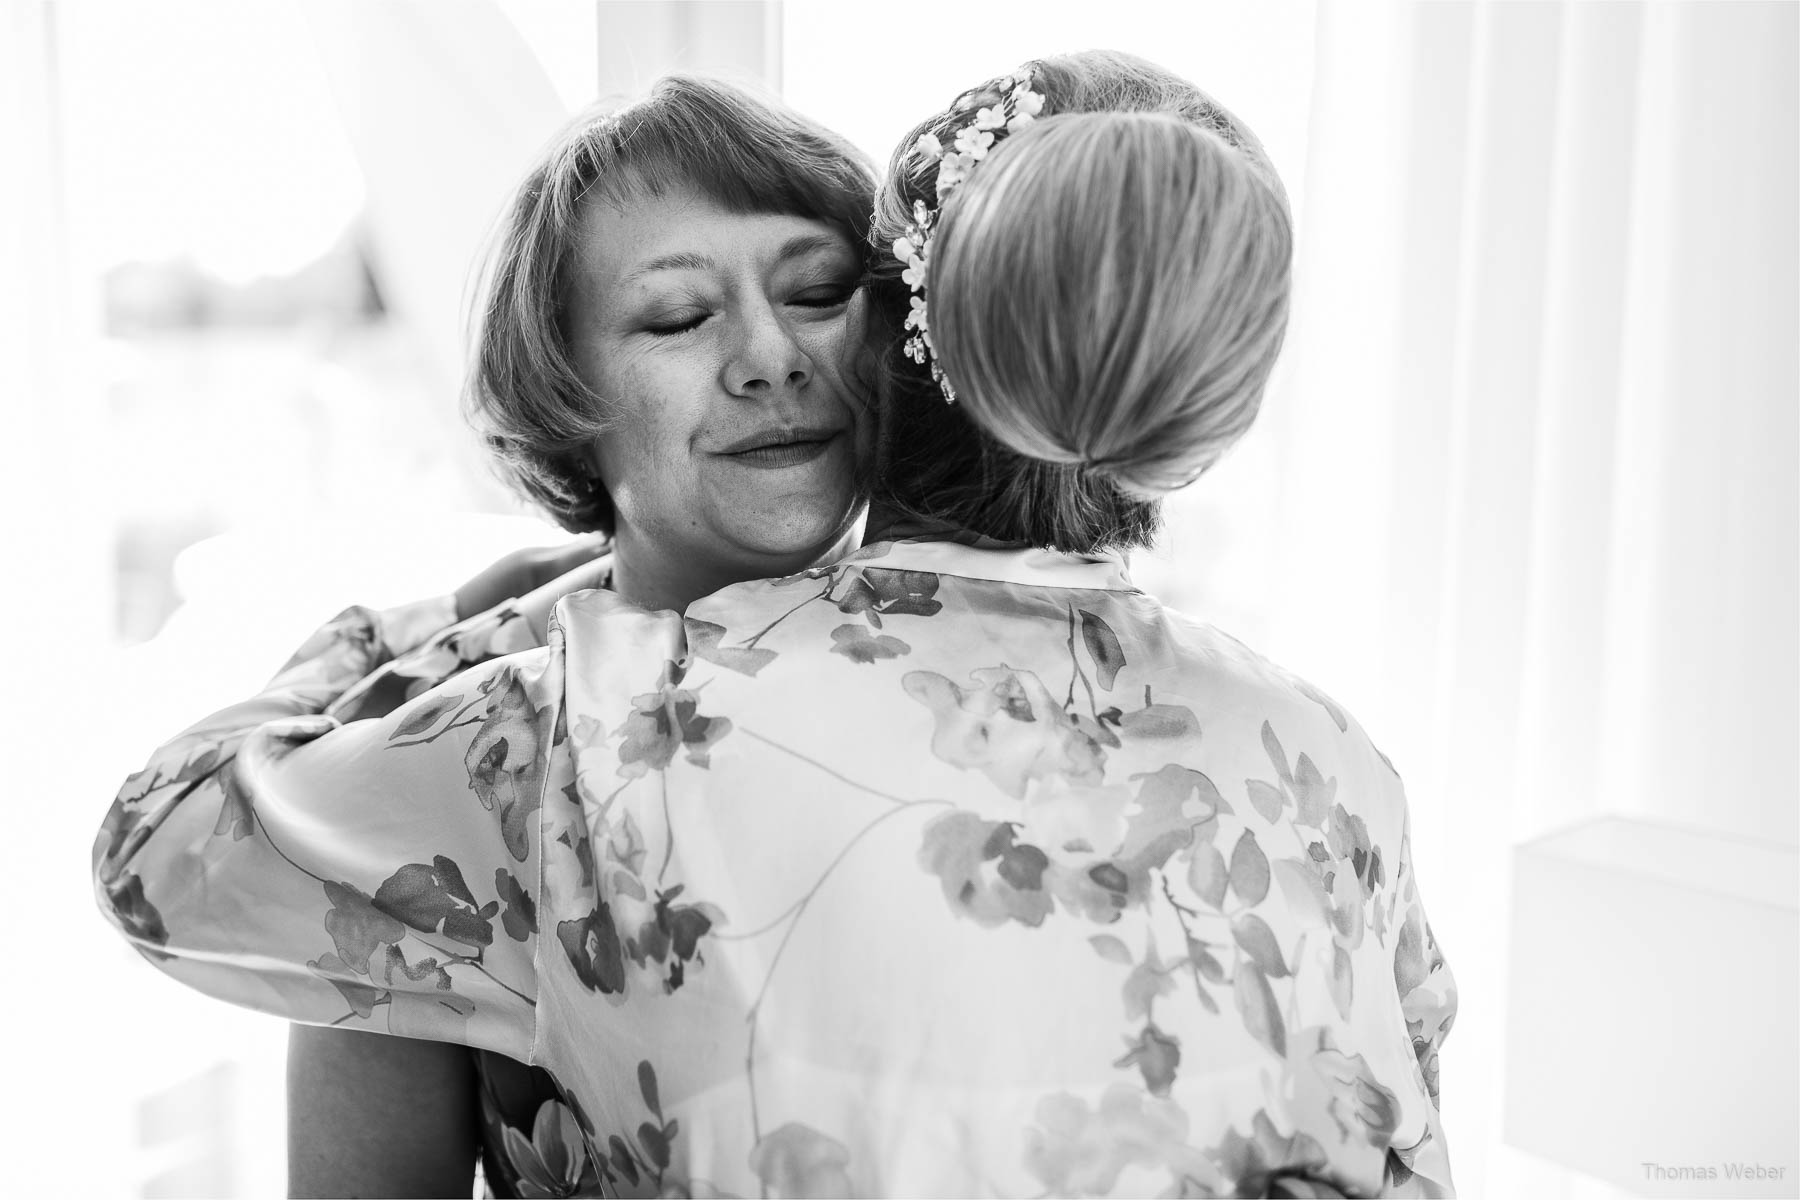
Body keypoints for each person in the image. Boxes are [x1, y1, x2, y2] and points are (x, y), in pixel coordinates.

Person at [97, 50, 1457, 1197]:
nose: (772, 355)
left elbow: (162, 850)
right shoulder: (1336, 768)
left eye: (816, 292)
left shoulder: (565, 735)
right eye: (679, 315)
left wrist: (453, 623)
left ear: (903, 336)